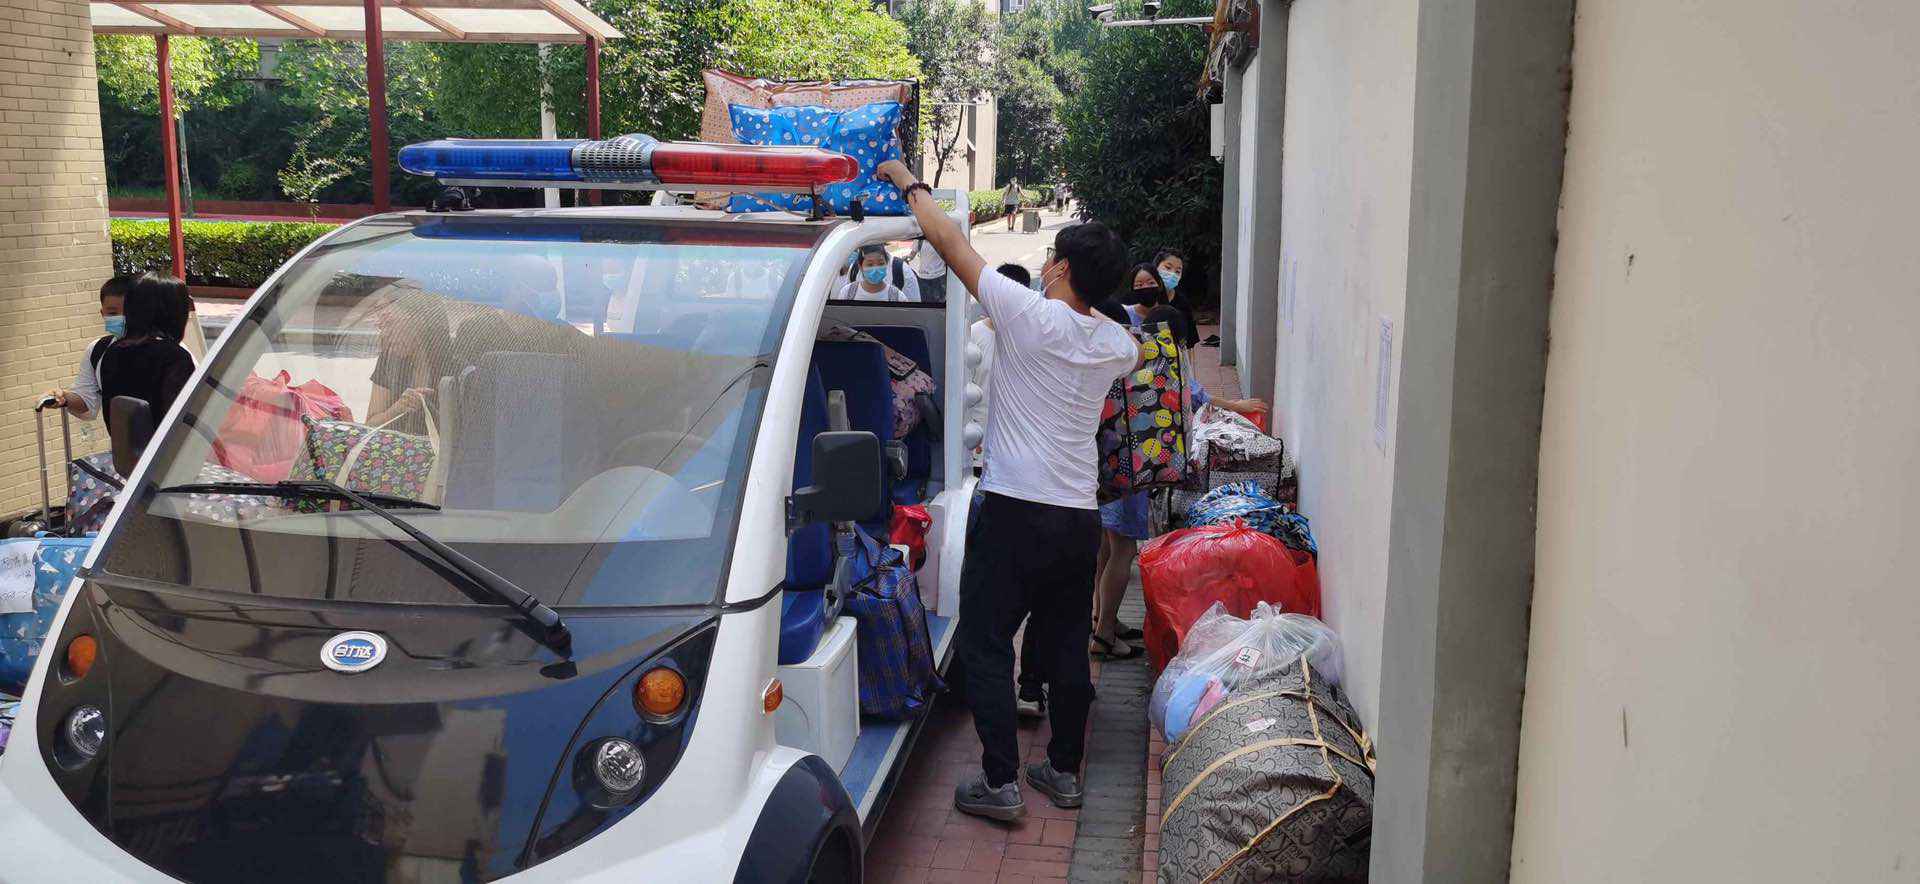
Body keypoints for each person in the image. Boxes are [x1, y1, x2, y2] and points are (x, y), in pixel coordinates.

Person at [876, 158, 1139, 822]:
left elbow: (950, 243)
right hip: (1077, 517)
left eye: (1052, 257)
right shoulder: (1118, 346)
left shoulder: (1026, 315)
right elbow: (1114, 327)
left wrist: (908, 182)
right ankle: (1063, 771)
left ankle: (1000, 781)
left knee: (988, 641)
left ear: (1060, 269)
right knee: (1066, 642)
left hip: (1015, 510)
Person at [1088, 278, 1269, 659]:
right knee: (1123, 551)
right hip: (1134, 469)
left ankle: (1103, 618)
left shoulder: (1128, 354)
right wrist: (1239, 407)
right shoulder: (1163, 363)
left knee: (1106, 548)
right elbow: (1195, 398)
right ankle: (1103, 635)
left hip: (1107, 465)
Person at [95, 272, 197, 451]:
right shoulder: (174, 357)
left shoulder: (112, 351)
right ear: (173, 313)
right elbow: (181, 423)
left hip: (128, 458)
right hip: (167, 459)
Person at [365, 287, 458, 435]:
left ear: (419, 321)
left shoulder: (454, 369)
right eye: (381, 327)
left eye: (389, 323)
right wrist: (398, 409)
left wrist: (428, 409)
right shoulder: (389, 359)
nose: (384, 335)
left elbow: (460, 436)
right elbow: (370, 425)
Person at [43, 276, 132, 421]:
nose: (122, 318)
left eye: (128, 312)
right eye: (112, 313)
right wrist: (63, 397)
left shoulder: (165, 350)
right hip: (121, 435)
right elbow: (87, 403)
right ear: (102, 314)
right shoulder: (97, 350)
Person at [836, 244, 918, 302]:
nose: (876, 269)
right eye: (870, 264)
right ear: (860, 267)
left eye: (881, 263)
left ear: (886, 264)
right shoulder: (847, 293)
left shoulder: (898, 297)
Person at [1153, 249, 1200, 349]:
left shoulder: (1182, 303)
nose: (1172, 274)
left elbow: (1189, 343)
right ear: (1155, 267)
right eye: (1168, 267)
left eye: (1178, 271)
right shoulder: (1145, 298)